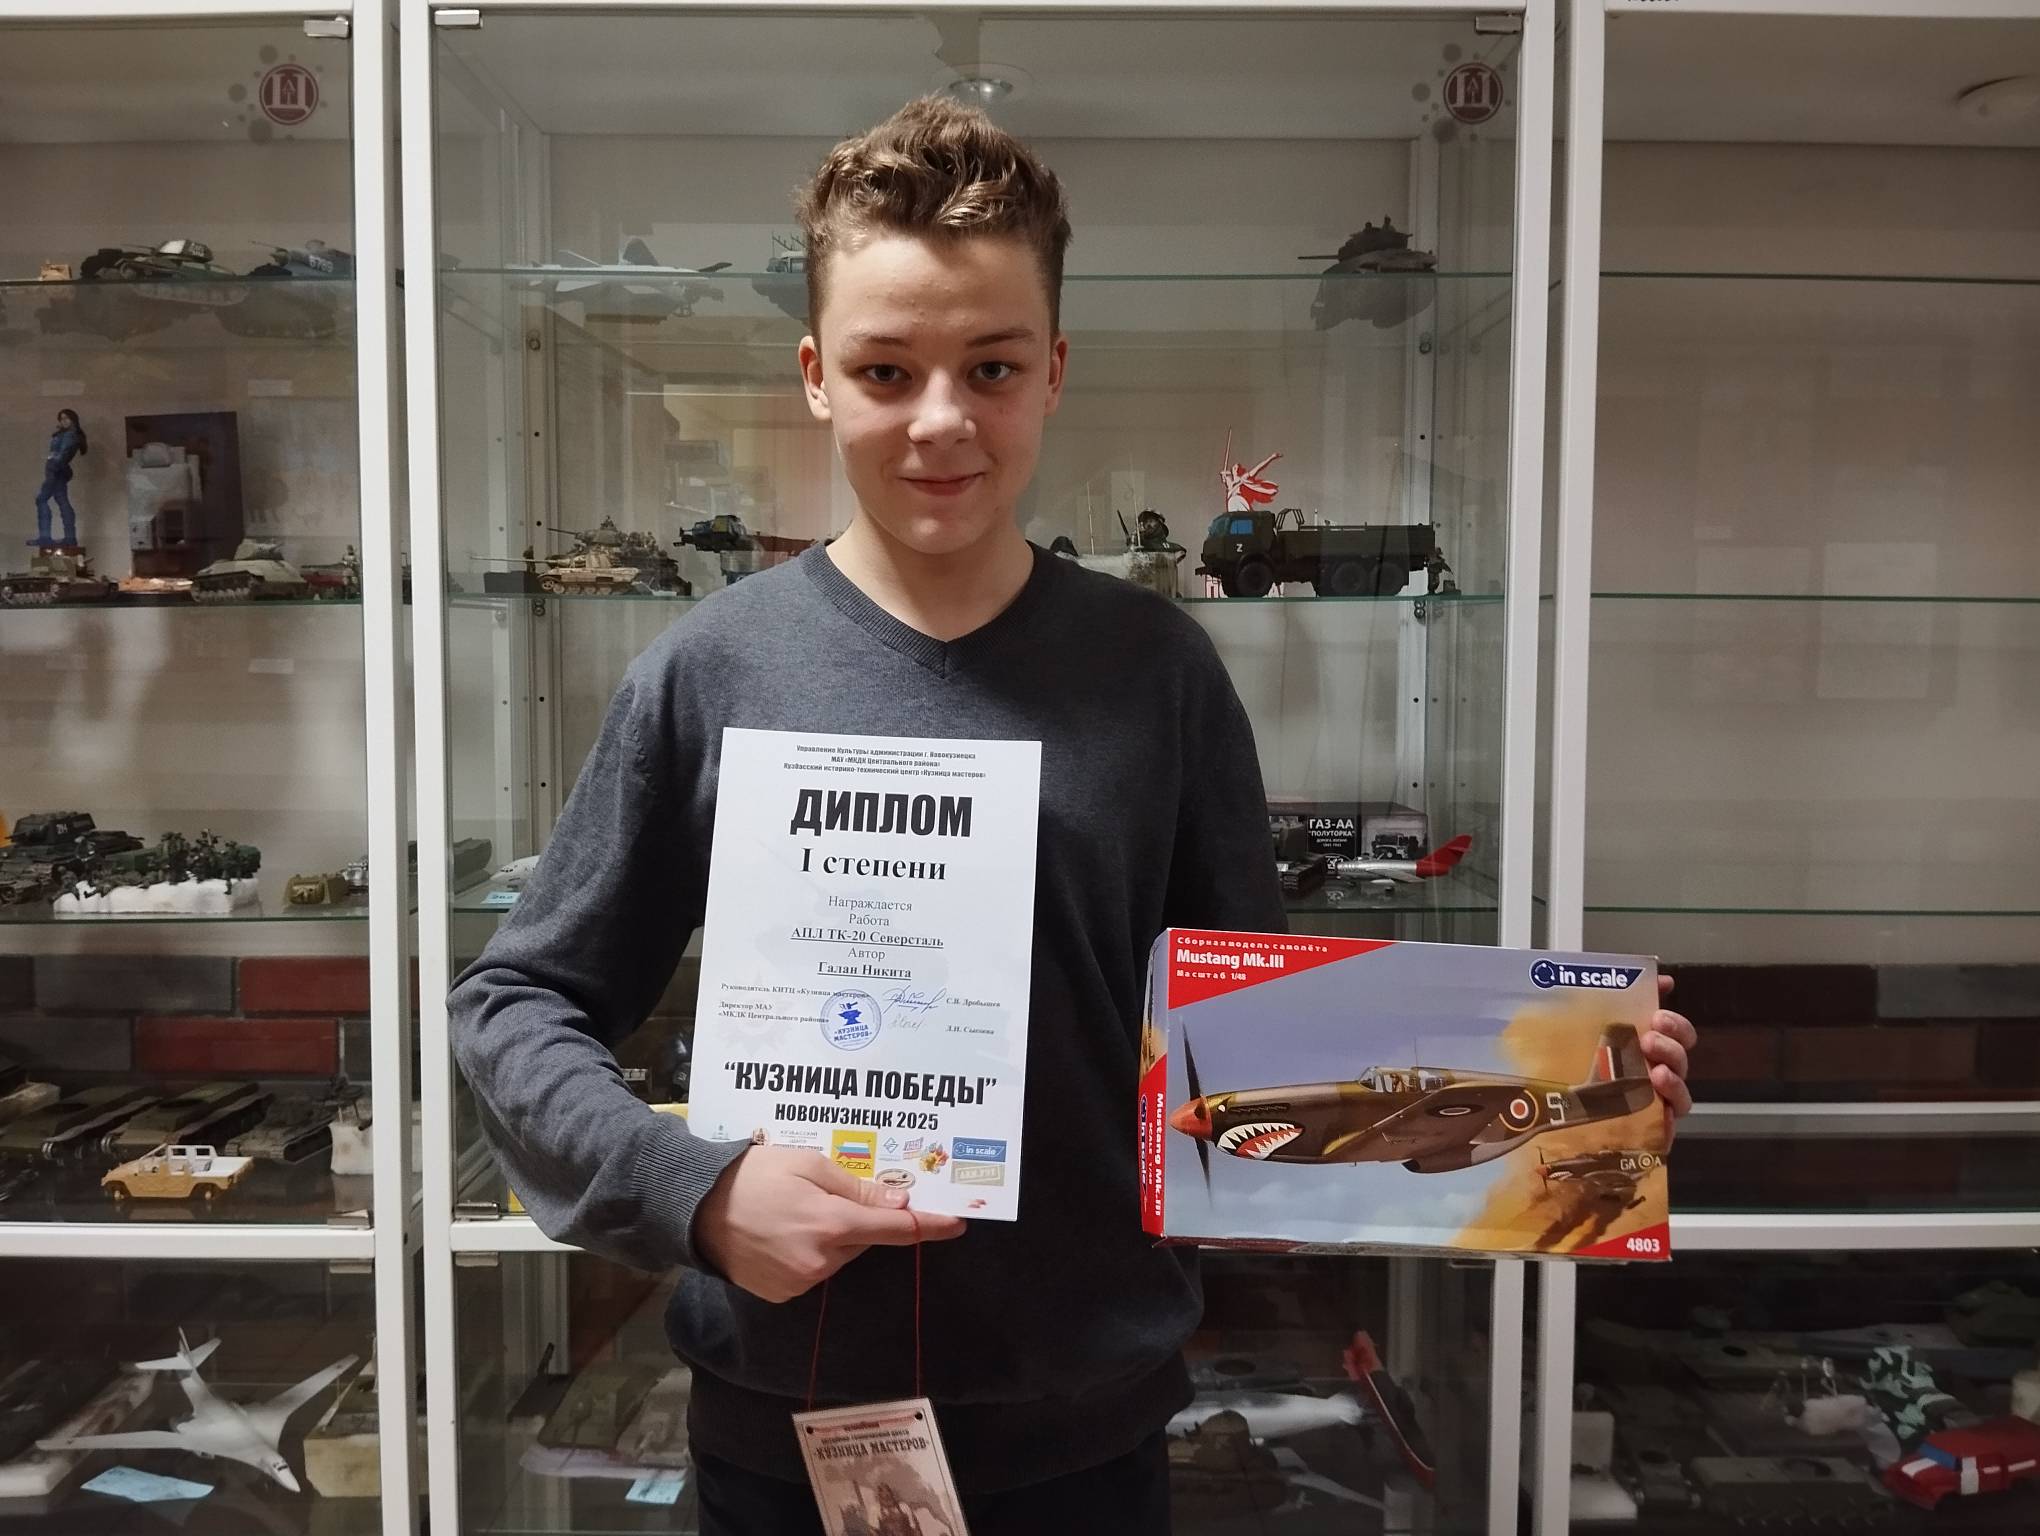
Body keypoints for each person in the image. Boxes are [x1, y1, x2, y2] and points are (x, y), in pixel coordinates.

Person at [447, 97, 1698, 1535]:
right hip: (781, 1441)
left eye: (990, 367)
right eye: (885, 369)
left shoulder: (1158, 673)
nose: (940, 420)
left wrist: (1573, 1084)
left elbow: (1259, 1057)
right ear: (815, 377)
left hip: (1088, 1446)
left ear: (1052, 370)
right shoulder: (709, 672)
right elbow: (515, 1005)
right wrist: (699, 1191)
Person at [33, 408, 87, 548]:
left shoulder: (69, 435)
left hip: (55, 470)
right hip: (58, 470)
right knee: (62, 501)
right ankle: (69, 538)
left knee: (42, 499)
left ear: (73, 419)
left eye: (66, 418)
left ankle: (46, 537)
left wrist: (53, 460)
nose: (63, 421)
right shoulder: (67, 434)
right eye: (61, 418)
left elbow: (62, 454)